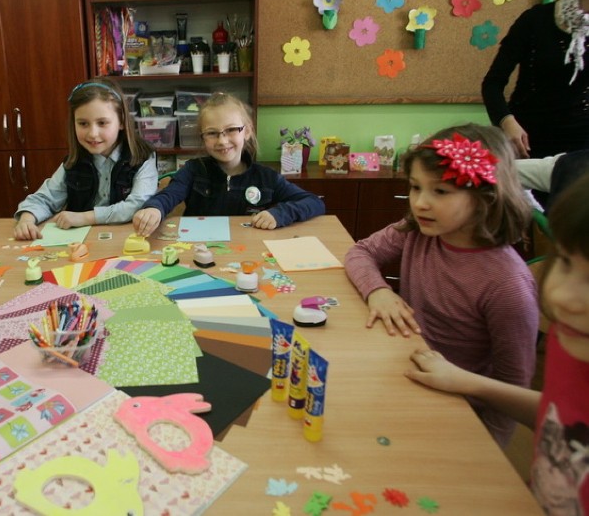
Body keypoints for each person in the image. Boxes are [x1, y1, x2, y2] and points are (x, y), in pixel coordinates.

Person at [405, 172, 589, 514]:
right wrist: (467, 381)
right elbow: (561, 416)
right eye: (563, 261)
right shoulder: (573, 340)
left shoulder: (509, 287)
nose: (564, 297)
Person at [344, 123, 538, 447]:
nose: (420, 203)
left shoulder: (508, 286)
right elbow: (361, 252)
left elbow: (512, 388)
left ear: (486, 197)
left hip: (458, 409)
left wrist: (488, 455)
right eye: (415, 187)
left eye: (440, 191)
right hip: (405, 371)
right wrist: (378, 291)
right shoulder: (415, 230)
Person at [132, 92, 325, 236]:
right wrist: (154, 208)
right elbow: (168, 196)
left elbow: (314, 202)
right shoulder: (193, 170)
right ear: (203, 137)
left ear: (247, 131)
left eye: (231, 130)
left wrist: (280, 213)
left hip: (249, 252)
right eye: (212, 133)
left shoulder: (266, 177)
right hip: (199, 252)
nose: (222, 141)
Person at [13, 78, 157, 240]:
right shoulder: (74, 161)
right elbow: (45, 198)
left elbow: (137, 205)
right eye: (83, 124)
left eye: (102, 123)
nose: (92, 134)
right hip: (81, 244)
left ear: (122, 121)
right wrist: (27, 219)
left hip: (127, 240)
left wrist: (84, 218)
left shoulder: (142, 157)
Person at [481, 0, 589, 160]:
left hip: (581, 147)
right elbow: (492, 84)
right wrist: (507, 122)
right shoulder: (536, 20)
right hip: (526, 141)